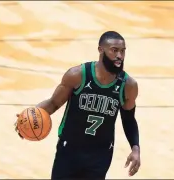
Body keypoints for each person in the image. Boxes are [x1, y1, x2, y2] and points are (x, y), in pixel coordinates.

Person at [15, 31, 141, 179]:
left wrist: (135, 148)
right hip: (69, 149)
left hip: (100, 154)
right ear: (101, 50)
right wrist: (28, 118)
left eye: (122, 51)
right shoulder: (78, 75)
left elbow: (129, 119)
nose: (119, 56)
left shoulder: (128, 85)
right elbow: (54, 103)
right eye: (114, 50)